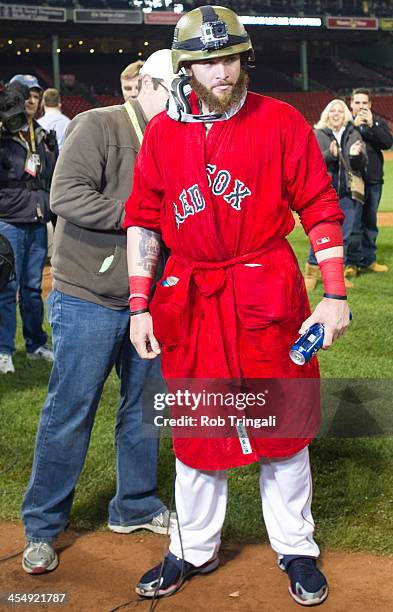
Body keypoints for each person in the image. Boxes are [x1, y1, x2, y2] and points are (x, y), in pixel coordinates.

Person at [123, 6, 350, 608]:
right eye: (208, 60)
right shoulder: (164, 134)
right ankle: (193, 549)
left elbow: (322, 207)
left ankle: (296, 547)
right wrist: (140, 305)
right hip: (191, 298)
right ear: (186, 65)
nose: (222, 71)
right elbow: (144, 221)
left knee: (284, 429)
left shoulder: (279, 121)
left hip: (266, 290)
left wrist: (333, 295)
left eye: (230, 58)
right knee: (199, 431)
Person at [21, 50, 177, 575]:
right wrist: (142, 218)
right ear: (148, 85)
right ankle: (42, 525)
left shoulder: (176, 138)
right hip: (87, 295)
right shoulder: (98, 124)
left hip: (149, 301)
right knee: (70, 412)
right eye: (178, 88)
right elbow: (66, 195)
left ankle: (134, 504)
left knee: (144, 409)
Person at [0, 74, 57, 375]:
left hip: (37, 220)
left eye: (36, 95)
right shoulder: (4, 135)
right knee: (6, 287)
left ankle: (36, 344)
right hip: (8, 221)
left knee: (33, 289)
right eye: (25, 96)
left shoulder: (45, 136)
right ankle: (4, 350)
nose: (31, 101)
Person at [304, 99, 367, 292]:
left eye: (340, 111)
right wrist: (329, 154)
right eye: (333, 111)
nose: (337, 114)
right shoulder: (318, 134)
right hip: (325, 193)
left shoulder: (353, 133)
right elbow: (311, 162)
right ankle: (311, 274)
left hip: (348, 193)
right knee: (321, 234)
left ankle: (337, 275)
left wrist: (356, 156)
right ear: (327, 114)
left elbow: (360, 165)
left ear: (346, 114)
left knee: (344, 235)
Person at [346, 88, 393, 276]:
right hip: (353, 181)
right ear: (351, 104)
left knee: (370, 222)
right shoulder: (346, 123)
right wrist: (353, 127)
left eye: (364, 103)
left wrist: (372, 124)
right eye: (357, 102)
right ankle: (352, 262)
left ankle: (369, 259)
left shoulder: (378, 123)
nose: (361, 106)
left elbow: (387, 142)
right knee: (354, 222)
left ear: (370, 105)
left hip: (373, 180)